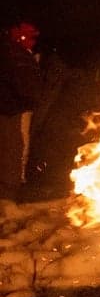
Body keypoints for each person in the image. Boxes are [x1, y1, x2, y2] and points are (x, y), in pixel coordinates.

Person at [2, 21, 45, 202]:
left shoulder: (17, 52)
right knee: (14, 149)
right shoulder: (15, 53)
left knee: (15, 147)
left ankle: (10, 192)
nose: (31, 41)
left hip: (13, 107)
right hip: (12, 109)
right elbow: (25, 85)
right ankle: (7, 198)